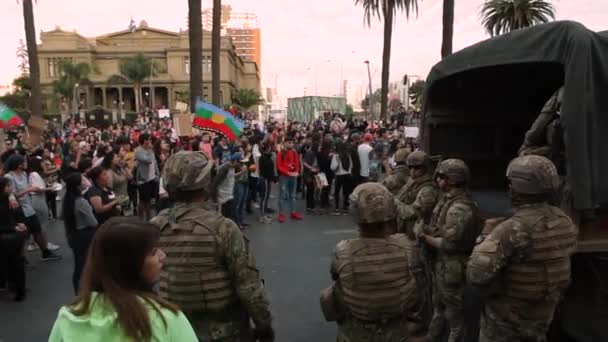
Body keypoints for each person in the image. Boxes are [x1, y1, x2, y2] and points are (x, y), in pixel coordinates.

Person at [150, 151, 275, 341]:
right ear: (205, 184)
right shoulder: (223, 228)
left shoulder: (156, 226)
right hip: (223, 332)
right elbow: (248, 285)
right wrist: (264, 324)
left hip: (174, 330)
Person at [467, 155, 578, 342]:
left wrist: (485, 235)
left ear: (516, 191)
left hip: (509, 320)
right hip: (543, 315)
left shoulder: (511, 229)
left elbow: (476, 275)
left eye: (511, 185)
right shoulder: (564, 221)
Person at [48, 217, 198, 342]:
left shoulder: (69, 316)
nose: (162, 255)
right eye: (153, 252)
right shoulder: (166, 318)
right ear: (129, 263)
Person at [320, 183, 416, 341]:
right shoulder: (404, 245)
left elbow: (336, 278)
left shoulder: (344, 250)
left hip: (358, 329)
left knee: (331, 293)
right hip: (396, 328)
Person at [413, 159, 482, 342]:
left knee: (454, 314)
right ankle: (433, 336)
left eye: (441, 176)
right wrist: (429, 230)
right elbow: (441, 228)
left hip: (452, 265)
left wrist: (423, 236)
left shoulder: (459, 207)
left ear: (451, 180)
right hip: (443, 263)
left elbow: (449, 244)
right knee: (438, 303)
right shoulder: (449, 200)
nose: (437, 180)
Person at [393, 150, 440, 330]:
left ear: (426, 168)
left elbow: (413, 211)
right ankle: (415, 313)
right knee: (412, 278)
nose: (412, 171)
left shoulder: (428, 189)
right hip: (409, 236)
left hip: (419, 239)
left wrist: (394, 202)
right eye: (410, 167)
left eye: (417, 168)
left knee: (421, 281)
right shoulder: (413, 182)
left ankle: (422, 318)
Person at [4, 154, 61, 261]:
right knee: (23, 235)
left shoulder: (24, 174)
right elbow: (11, 194)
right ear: (18, 164)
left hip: (28, 207)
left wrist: (39, 189)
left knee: (37, 231)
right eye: (24, 162)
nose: (26, 163)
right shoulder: (9, 177)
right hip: (19, 210)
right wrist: (29, 189)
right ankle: (21, 258)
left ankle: (45, 252)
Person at [61, 173, 98, 293]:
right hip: (85, 234)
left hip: (73, 234)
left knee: (79, 264)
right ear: (77, 186)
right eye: (82, 180)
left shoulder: (67, 199)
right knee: (85, 265)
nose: (85, 181)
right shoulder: (81, 201)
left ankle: (78, 291)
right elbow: (93, 221)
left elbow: (63, 216)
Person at [0, 176, 28, 301]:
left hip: (11, 236)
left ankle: (15, 288)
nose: (11, 188)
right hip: (10, 236)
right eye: (8, 186)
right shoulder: (10, 200)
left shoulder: (11, 199)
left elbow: (18, 215)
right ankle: (17, 289)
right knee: (15, 264)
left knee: (12, 264)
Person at [276, 135, 302, 223]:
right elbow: (279, 166)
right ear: (285, 143)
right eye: (289, 143)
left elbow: (297, 163)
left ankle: (293, 212)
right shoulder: (280, 153)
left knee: (293, 195)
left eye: (292, 143)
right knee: (282, 195)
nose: (291, 144)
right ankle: (281, 214)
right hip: (284, 176)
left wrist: (297, 172)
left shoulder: (294, 152)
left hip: (293, 176)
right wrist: (287, 172)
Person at [135, 133, 160, 221]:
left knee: (151, 201)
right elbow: (148, 160)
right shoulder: (138, 151)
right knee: (144, 201)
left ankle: (150, 218)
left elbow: (155, 162)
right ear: (144, 141)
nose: (150, 141)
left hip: (153, 178)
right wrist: (149, 150)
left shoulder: (150, 151)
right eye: (149, 139)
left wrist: (157, 174)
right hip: (144, 180)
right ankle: (142, 218)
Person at [211, 152, 241, 221]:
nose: (240, 164)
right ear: (236, 161)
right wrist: (215, 200)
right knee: (221, 220)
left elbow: (231, 178)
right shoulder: (224, 169)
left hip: (229, 197)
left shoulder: (232, 168)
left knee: (228, 220)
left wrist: (241, 173)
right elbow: (215, 184)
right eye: (240, 162)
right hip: (222, 200)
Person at [330, 141, 353, 214]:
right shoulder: (348, 155)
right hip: (347, 175)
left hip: (339, 175)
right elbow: (351, 165)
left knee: (337, 192)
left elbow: (333, 167)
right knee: (346, 192)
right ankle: (345, 209)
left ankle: (337, 208)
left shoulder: (336, 156)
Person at [258, 142, 276, 224]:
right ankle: (262, 216)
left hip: (267, 179)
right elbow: (265, 170)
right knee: (264, 197)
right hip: (264, 179)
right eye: (269, 147)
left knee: (266, 196)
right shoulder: (263, 158)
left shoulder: (267, 157)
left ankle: (264, 213)